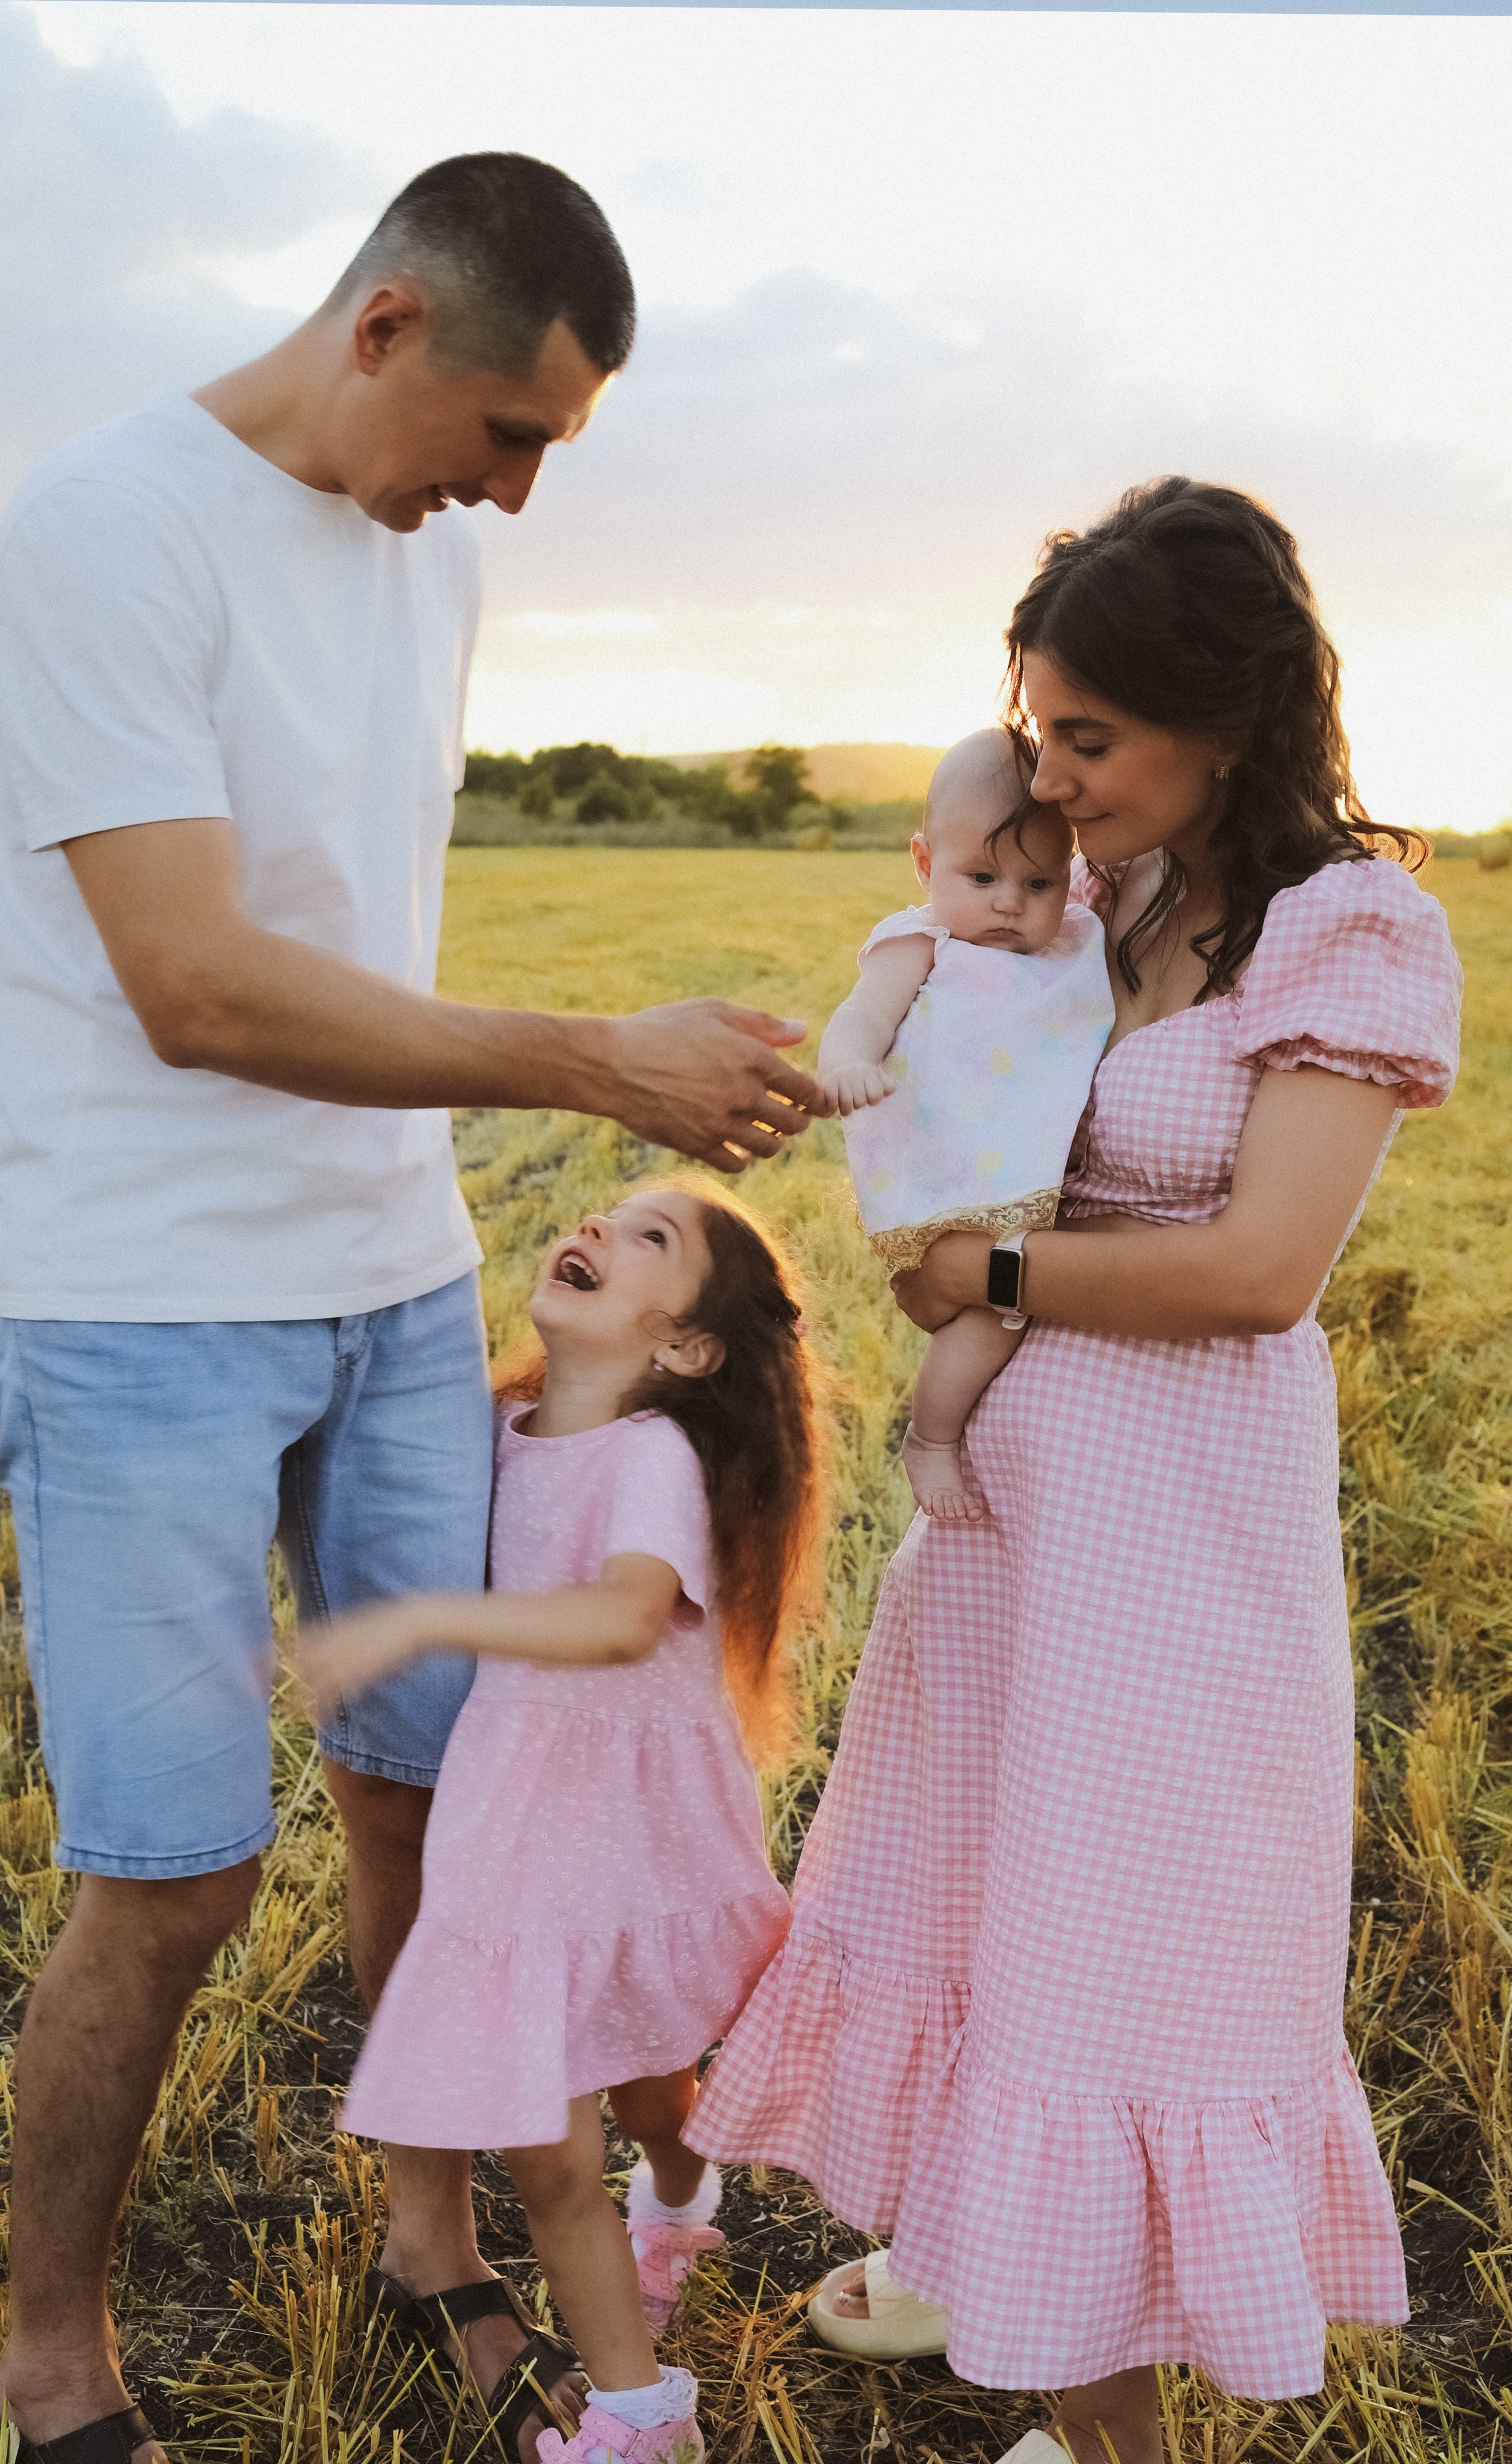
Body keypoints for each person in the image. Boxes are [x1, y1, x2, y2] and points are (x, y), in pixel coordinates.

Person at [0, 153, 827, 2464]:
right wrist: (584, 1060)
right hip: (137, 1295)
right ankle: (50, 2359)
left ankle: (432, 2229)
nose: (517, 496)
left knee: (443, 1805)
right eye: (507, 435)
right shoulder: (99, 527)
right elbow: (188, 983)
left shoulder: (429, 560)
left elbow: (352, 920)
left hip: (391, 1275)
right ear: (383, 329)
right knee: (170, 1877)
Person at [687, 478, 1463, 2464]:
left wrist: (991, 1265)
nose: (1047, 770)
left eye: (1087, 735)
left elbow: (1261, 1267)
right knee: (992, 1940)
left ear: (1231, 715)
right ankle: (1043, 2348)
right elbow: (940, 1014)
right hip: (1015, 1531)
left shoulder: (1343, 922)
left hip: (1185, 1543)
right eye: (1032, 723)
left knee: (1129, 1972)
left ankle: (1107, 2431)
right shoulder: (1093, 886)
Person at [294, 1178, 823, 2464]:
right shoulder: (499, 1425)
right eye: (603, 1211)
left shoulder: (648, 1456)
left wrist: (425, 1619)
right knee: (549, 2167)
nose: (594, 1226)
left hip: (634, 1840)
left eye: (651, 1237)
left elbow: (624, 1616)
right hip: (523, 1845)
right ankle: (644, 2419)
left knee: (653, 2083)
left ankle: (683, 2200)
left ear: (686, 1348)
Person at [819, 730, 1112, 1520]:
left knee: (1018, 1315)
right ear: (924, 864)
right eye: (980, 876)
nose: (1009, 902)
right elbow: (862, 1016)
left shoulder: (1075, 947)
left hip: (1040, 1180)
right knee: (990, 1322)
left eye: (1038, 881)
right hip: (951, 1172)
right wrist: (847, 1063)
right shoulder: (922, 942)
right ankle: (932, 1437)